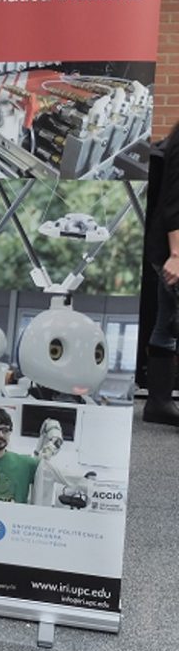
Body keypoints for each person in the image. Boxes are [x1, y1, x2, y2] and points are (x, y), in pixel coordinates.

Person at [144, 119, 179, 425]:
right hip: (174, 249)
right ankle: (158, 402)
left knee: (166, 324)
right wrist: (177, 255)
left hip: (168, 247)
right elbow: (173, 203)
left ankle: (158, 403)